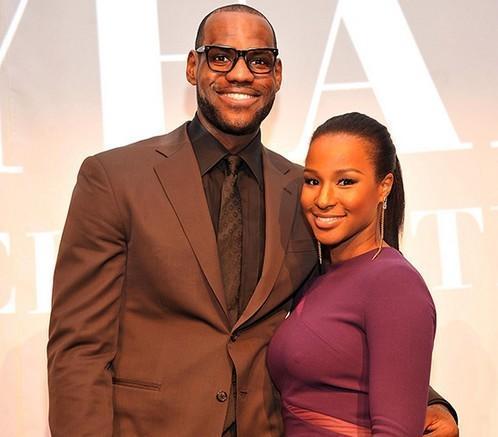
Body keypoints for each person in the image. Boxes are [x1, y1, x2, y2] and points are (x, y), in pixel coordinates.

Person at [47, 5, 458, 437]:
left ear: (276, 75)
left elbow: (345, 308)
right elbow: (79, 348)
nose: (240, 74)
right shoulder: (115, 179)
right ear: (192, 66)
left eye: (259, 60)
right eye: (221, 56)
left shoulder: (306, 192)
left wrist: (429, 402)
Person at [267, 112, 445, 436]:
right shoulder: (320, 278)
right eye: (313, 181)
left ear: (384, 186)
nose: (323, 199)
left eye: (345, 182)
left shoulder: (393, 283)